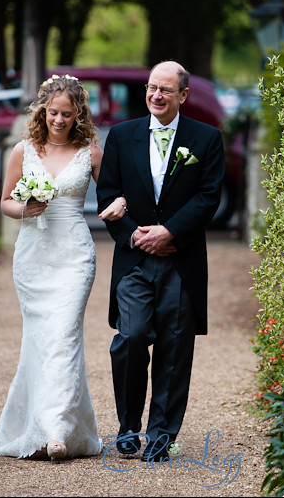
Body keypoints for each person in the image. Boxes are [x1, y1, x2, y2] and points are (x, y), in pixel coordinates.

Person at [0, 73, 127, 460]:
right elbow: (4, 202)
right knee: (41, 339)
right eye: (53, 112)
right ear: (42, 110)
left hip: (75, 255)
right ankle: (43, 423)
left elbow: (114, 193)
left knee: (65, 335)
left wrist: (122, 205)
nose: (59, 120)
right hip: (33, 256)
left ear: (79, 116)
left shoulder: (91, 152)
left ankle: (57, 430)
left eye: (67, 114)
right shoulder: (23, 150)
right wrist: (24, 207)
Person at [96, 60, 225, 461]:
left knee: (174, 347)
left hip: (181, 260)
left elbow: (209, 197)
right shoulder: (121, 136)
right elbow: (108, 195)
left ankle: (161, 438)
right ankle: (129, 426)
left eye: (165, 90)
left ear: (183, 95)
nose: (156, 95)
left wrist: (171, 232)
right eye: (152, 88)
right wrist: (134, 233)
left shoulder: (206, 139)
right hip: (134, 260)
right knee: (131, 338)